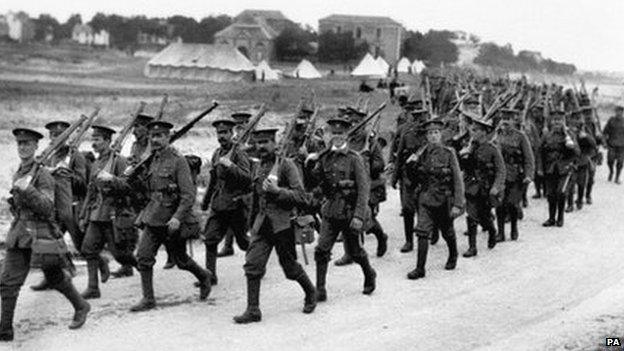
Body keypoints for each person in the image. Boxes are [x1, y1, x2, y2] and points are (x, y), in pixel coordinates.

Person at [1, 128, 90, 341]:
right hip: (21, 233)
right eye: (19, 144)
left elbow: (48, 208)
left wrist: (28, 191)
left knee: (54, 275)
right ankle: (5, 330)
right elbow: (20, 206)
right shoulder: (21, 171)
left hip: (40, 235)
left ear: (35, 146)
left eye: (27, 144)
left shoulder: (42, 175)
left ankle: (81, 306)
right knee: (9, 282)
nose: (22, 147)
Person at [124, 121, 213, 312]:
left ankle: (204, 276)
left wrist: (178, 218)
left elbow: (188, 194)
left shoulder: (178, 160)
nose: (155, 140)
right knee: (144, 257)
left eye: (159, 136)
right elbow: (148, 188)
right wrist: (132, 175)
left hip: (171, 219)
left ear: (167, 137)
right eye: (152, 136)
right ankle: (148, 299)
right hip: (153, 216)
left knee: (181, 260)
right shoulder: (151, 159)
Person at [233, 128, 316, 324]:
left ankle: (310, 291)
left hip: (282, 225)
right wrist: (251, 223)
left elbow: (302, 197)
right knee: (252, 265)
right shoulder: (257, 166)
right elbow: (255, 197)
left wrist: (278, 191)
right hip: (262, 225)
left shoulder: (287, 166)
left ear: (275, 144)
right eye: (258, 143)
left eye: (265, 143)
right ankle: (253, 310)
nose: (261, 147)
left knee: (289, 268)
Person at [307, 115, 377, 302]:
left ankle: (369, 274)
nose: (336, 136)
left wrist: (359, 216)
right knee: (321, 250)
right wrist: (310, 165)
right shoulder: (325, 157)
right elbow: (317, 182)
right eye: (333, 133)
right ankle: (320, 289)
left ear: (347, 135)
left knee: (355, 252)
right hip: (330, 212)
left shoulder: (354, 159)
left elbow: (364, 190)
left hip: (349, 212)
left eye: (340, 133)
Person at [79, 125, 138, 299]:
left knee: (120, 255)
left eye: (97, 140)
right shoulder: (96, 162)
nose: (94, 143)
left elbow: (129, 187)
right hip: (97, 214)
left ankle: (143, 268)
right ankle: (93, 288)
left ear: (107, 141)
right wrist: (84, 216)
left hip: (114, 214)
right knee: (88, 249)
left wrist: (112, 179)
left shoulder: (120, 161)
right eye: (93, 139)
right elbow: (91, 192)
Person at [30, 120, 88, 291]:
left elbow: (82, 185)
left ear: (66, 137)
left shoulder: (76, 156)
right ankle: (53, 277)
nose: (55, 139)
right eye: (52, 135)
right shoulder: (47, 155)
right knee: (48, 245)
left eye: (59, 135)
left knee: (81, 244)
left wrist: (66, 174)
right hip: (52, 206)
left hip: (72, 206)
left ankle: (100, 264)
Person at [405, 119, 464, 279]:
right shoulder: (421, 153)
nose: (433, 136)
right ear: (426, 136)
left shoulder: (449, 153)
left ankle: (453, 255)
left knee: (447, 232)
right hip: (425, 199)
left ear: (441, 134)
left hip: (443, 200)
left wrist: (458, 204)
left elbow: (457, 180)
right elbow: (413, 179)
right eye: (430, 133)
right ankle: (420, 268)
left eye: (436, 133)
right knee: (422, 232)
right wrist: (410, 165)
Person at [201, 117, 252, 285]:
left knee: (243, 242)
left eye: (224, 132)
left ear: (232, 133)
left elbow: (247, 178)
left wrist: (231, 166)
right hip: (219, 204)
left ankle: (256, 264)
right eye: (219, 133)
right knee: (210, 239)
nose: (221, 136)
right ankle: (210, 276)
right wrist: (206, 201)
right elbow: (214, 180)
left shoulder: (239, 153)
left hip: (236, 205)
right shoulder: (216, 153)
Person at [460, 112, 505, 257]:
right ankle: (472, 247)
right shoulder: (470, 147)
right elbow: (463, 168)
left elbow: (501, 170)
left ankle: (492, 231)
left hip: (486, 189)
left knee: (485, 217)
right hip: (472, 188)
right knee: (471, 216)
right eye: (473, 130)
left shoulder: (492, 149)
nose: (473, 133)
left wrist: (496, 187)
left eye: (477, 130)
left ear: (485, 133)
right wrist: (464, 155)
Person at [391, 108, 429, 252]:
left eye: (422, 121)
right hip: (409, 179)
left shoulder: (430, 137)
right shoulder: (407, 136)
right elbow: (400, 157)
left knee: (425, 209)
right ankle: (409, 241)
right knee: (407, 210)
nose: (420, 123)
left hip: (426, 179)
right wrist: (394, 178)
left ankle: (427, 234)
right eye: (417, 120)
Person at [216, 112, 254, 258]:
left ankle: (258, 246)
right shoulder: (233, 141)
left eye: (243, 124)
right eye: (237, 125)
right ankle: (228, 246)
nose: (240, 128)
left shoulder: (254, 137)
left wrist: (245, 149)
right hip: (234, 181)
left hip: (251, 177)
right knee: (232, 211)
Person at [493, 109, 534, 241]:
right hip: (500, 175)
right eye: (503, 119)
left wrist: (529, 175)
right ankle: (500, 233)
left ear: (514, 120)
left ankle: (514, 228)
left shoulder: (521, 136)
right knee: (499, 204)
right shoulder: (496, 136)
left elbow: (529, 158)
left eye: (509, 119)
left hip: (516, 175)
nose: (506, 122)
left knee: (512, 204)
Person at [537, 110, 580, 227]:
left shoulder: (569, 134)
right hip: (550, 168)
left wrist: (571, 146)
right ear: (551, 121)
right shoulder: (546, 135)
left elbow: (577, 152)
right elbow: (540, 151)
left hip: (565, 169)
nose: (557, 122)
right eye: (555, 120)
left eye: (560, 120)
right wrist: (540, 168)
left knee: (561, 192)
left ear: (563, 122)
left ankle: (560, 218)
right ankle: (551, 218)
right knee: (550, 194)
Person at [603, 105, 624, 184]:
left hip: (622, 146)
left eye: (621, 112)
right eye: (617, 111)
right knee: (610, 161)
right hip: (612, 144)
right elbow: (605, 132)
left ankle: (617, 177)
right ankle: (611, 171)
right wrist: (604, 142)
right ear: (615, 112)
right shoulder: (611, 120)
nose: (619, 113)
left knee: (620, 162)